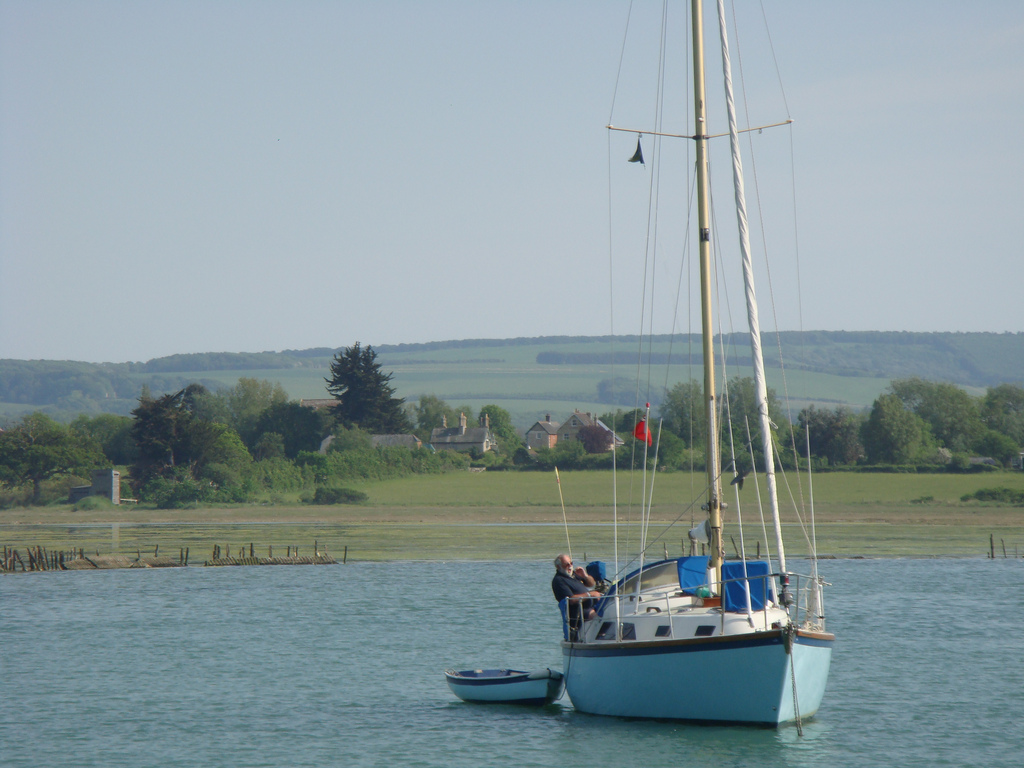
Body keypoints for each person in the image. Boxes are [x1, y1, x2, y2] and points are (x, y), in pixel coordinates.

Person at [551, 554, 601, 629]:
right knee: (602, 618)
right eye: (566, 564)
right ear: (559, 566)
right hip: (580, 612)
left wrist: (585, 576)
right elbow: (571, 600)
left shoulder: (573, 574)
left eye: (571, 563)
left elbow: (591, 584)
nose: (570, 566)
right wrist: (590, 594)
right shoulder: (559, 580)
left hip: (593, 606)